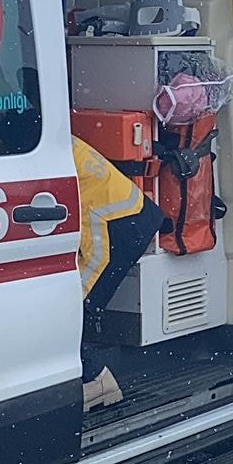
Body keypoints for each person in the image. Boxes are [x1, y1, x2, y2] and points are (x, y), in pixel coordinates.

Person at [75, 136, 164, 409]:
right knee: (74, 304)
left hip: (117, 225)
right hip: (128, 214)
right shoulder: (46, 135)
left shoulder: (21, 138)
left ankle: (97, 380)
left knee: (74, 306)